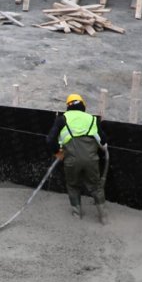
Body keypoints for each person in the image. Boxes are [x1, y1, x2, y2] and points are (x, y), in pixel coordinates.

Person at [45, 93, 109, 223]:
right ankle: (104, 217)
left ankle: (76, 216)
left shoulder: (62, 119)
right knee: (96, 187)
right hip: (91, 160)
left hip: (71, 160)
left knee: (73, 185)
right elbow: (103, 141)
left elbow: (50, 140)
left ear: (68, 107)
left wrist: (57, 152)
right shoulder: (92, 119)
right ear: (83, 106)